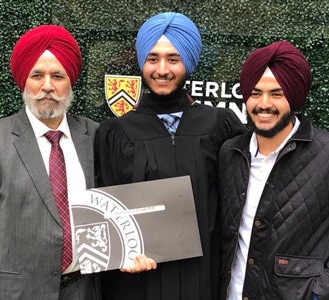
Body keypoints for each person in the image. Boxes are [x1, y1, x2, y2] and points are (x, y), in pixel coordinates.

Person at [95, 12, 247, 300]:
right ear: (142, 62)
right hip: (137, 283)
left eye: (173, 59)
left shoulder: (220, 125)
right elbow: (107, 213)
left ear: (187, 63)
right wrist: (121, 252)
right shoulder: (115, 133)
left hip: (203, 279)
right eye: (153, 58)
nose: (162, 69)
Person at [218, 41, 329, 300]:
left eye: (276, 94)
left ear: (293, 96)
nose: (264, 104)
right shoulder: (231, 153)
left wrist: (321, 289)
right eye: (255, 93)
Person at [0, 24, 102, 299]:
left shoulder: (94, 135)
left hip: (83, 291)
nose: (47, 86)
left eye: (57, 75)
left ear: (70, 81)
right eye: (38, 75)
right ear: (24, 79)